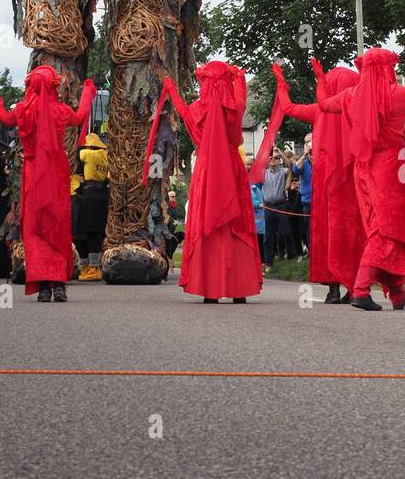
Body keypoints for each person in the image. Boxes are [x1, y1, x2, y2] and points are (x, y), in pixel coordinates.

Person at [312, 48, 405, 311]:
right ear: (387, 68)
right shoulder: (398, 94)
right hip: (387, 171)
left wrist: (322, 81)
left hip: (363, 171)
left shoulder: (351, 96)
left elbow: (324, 104)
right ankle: (360, 289)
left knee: (386, 229)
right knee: (388, 230)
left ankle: (396, 292)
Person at [0, 68, 95, 301]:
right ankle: (58, 284)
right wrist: (88, 94)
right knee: (57, 226)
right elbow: (80, 117)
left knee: (36, 228)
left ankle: (42, 288)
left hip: (33, 174)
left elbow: (4, 117)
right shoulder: (61, 110)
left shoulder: (22, 111)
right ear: (53, 86)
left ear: (30, 86)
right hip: (56, 173)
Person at [148, 62, 261, 303]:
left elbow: (180, 108)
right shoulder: (236, 108)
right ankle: (237, 289)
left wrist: (171, 89)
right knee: (235, 226)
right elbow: (239, 94)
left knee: (208, 225)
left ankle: (210, 288)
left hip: (208, 170)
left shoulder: (198, 112)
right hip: (231, 169)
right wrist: (239, 77)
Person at [253, 62, 361, 303]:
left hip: (325, 181)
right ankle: (354, 287)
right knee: (351, 231)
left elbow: (288, 106)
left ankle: (333, 289)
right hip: (350, 180)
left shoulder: (319, 110)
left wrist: (281, 84)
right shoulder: (356, 108)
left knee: (327, 232)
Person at [75, 130, 109, 280]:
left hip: (90, 195)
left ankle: (90, 269)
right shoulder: (105, 155)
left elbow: (77, 153)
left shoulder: (89, 154)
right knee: (97, 233)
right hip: (102, 194)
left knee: (86, 232)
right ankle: (94, 267)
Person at [259, 149, 289, 268]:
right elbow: (256, 167)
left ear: (279, 160)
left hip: (281, 205)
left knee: (286, 231)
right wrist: (265, 155)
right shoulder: (263, 173)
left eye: (275, 158)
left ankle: (290, 255)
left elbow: (291, 166)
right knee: (269, 235)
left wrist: (280, 154)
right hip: (269, 207)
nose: (273, 160)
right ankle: (268, 261)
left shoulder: (283, 171)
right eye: (270, 158)